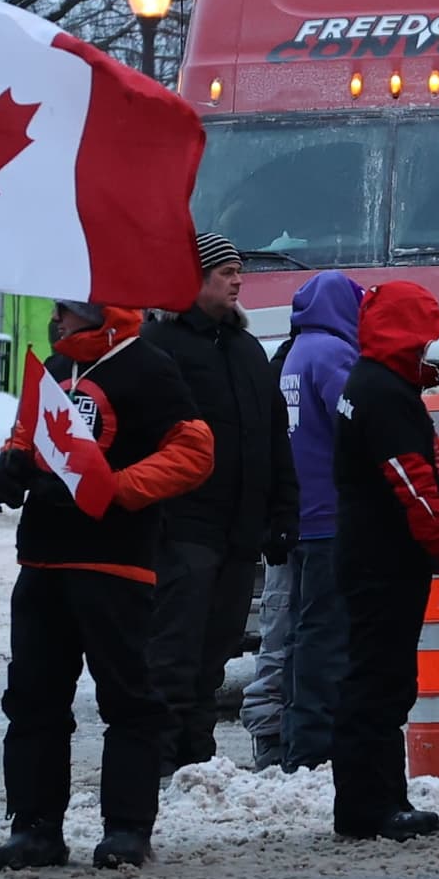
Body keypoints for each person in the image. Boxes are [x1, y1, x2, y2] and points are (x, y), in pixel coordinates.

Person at [0, 298, 214, 868]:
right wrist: (9, 468)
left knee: (129, 701)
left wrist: (116, 489)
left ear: (94, 310)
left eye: (64, 309)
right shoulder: (57, 371)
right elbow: (27, 438)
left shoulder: (147, 364)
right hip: (41, 564)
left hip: (116, 563)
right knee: (33, 701)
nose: (55, 318)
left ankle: (127, 827)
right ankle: (34, 827)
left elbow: (194, 450)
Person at [329, 279, 439, 840]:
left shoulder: (371, 383)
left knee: (377, 681)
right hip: (383, 559)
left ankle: (377, 798)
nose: (428, 348)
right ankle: (372, 806)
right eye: (423, 338)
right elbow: (412, 482)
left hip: (370, 554)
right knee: (380, 684)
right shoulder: (385, 394)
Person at [146, 236, 296, 774]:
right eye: (226, 272)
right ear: (196, 276)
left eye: (239, 271)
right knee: (174, 646)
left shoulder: (246, 349)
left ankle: (196, 753)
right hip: (182, 522)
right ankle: (160, 759)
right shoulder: (160, 343)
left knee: (219, 645)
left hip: (241, 528)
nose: (237, 281)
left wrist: (283, 512)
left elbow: (275, 435)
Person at [271, 270, 365, 769]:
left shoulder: (298, 352)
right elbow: (354, 422)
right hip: (331, 514)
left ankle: (295, 737)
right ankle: (315, 747)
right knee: (326, 635)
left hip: (302, 516)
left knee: (301, 632)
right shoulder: (333, 354)